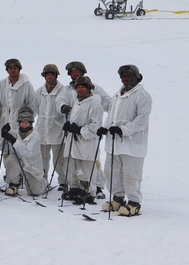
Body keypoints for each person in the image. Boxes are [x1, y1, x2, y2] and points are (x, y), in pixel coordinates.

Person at [101, 65, 152, 217]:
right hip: (114, 142)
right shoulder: (118, 94)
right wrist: (105, 127)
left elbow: (141, 121)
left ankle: (134, 203)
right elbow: (111, 115)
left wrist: (123, 130)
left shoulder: (143, 96)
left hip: (132, 144)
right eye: (123, 76)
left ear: (137, 76)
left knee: (131, 174)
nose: (126, 78)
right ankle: (117, 198)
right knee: (111, 172)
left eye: (129, 76)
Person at [61, 76, 103, 205]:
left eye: (83, 87)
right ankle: (75, 189)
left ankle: (89, 193)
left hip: (86, 141)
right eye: (78, 87)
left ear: (89, 88)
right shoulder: (77, 102)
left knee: (86, 167)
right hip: (74, 140)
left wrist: (79, 130)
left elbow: (95, 125)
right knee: (72, 163)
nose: (80, 89)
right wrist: (68, 125)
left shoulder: (94, 104)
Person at [35, 64, 73, 191]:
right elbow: (34, 107)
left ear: (56, 75)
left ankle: (63, 181)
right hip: (42, 129)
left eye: (52, 74)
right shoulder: (39, 91)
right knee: (42, 157)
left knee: (60, 159)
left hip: (57, 129)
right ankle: (43, 179)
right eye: (47, 74)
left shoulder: (63, 90)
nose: (49, 76)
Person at [0, 107, 45, 197]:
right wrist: (3, 134)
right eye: (22, 122)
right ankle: (14, 184)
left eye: (27, 122)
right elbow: (2, 147)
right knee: (10, 159)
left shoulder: (36, 136)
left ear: (31, 123)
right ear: (19, 123)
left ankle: (43, 182)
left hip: (31, 165)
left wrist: (13, 140)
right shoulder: (14, 133)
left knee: (34, 192)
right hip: (18, 161)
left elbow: (27, 152)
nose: (24, 124)